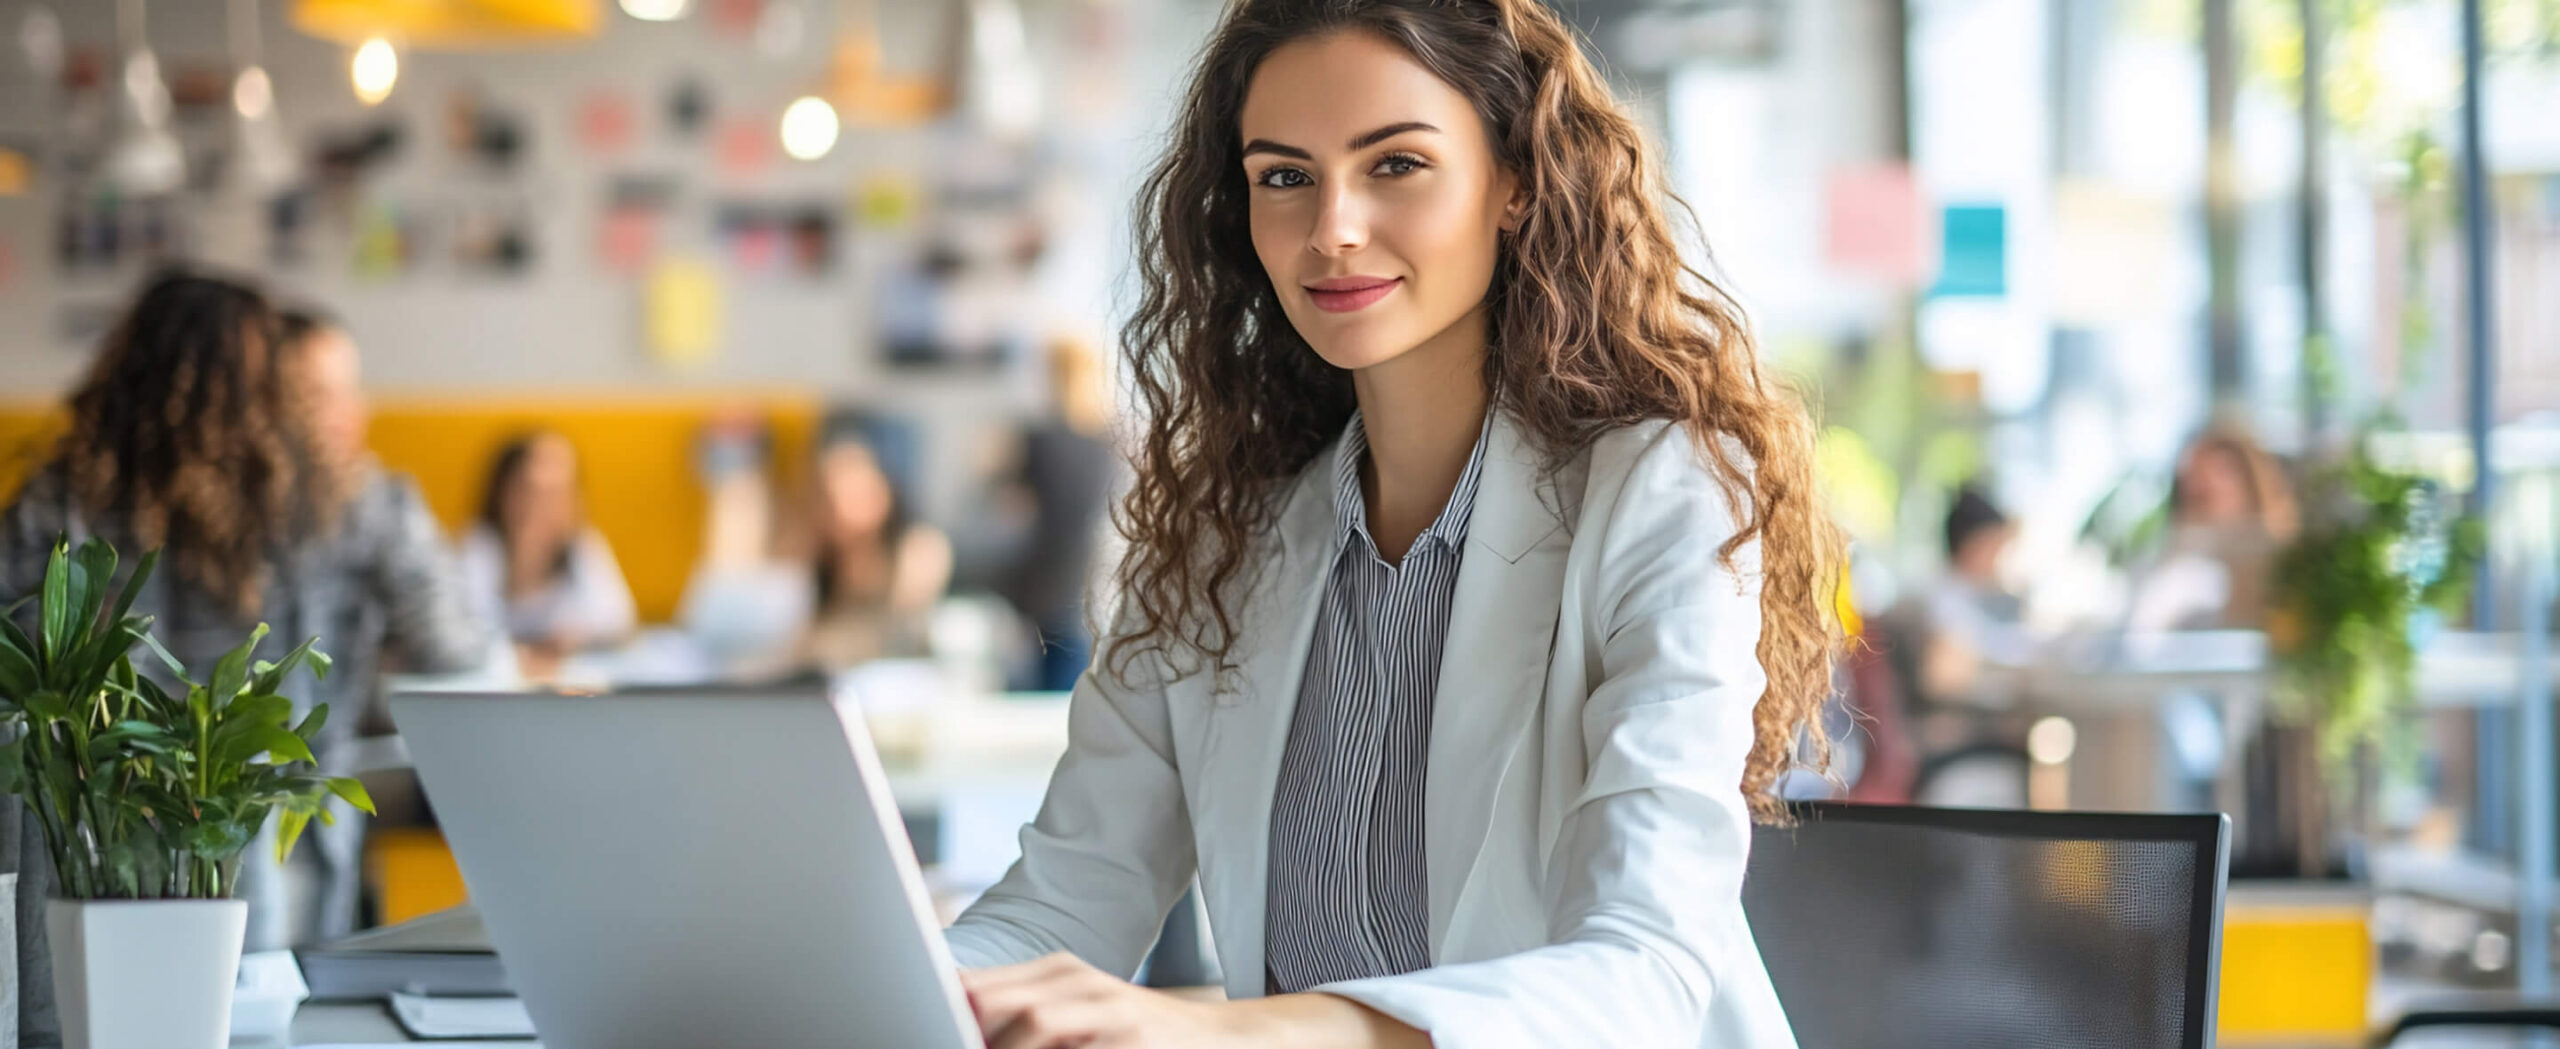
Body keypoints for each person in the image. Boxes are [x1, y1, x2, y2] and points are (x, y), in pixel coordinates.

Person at [941, 2, 1843, 1046]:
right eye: (1283, 176)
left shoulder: (1659, 489)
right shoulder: (1216, 535)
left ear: (1515, 180)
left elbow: (1640, 971)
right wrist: (896, 992)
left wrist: (1238, 1033)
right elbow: (1062, 904)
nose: (1331, 227)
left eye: (1395, 165)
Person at [0, 271, 488, 1040]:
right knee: (265, 1029)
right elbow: (455, 644)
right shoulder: (347, 500)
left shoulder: (58, 499)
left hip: (88, 864)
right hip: (277, 860)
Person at [456, 431, 637, 678]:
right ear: (505, 493)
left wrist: (572, 639)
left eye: (559, 493)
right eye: (532, 492)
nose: (545, 508)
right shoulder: (479, 546)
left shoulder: (583, 546)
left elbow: (618, 622)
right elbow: (467, 628)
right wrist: (525, 562)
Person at [2128, 421, 2299, 630]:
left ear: (2252, 483)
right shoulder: (2177, 572)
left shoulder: (2290, 564)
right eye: (2195, 492)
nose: (2204, 480)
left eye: (2223, 470)